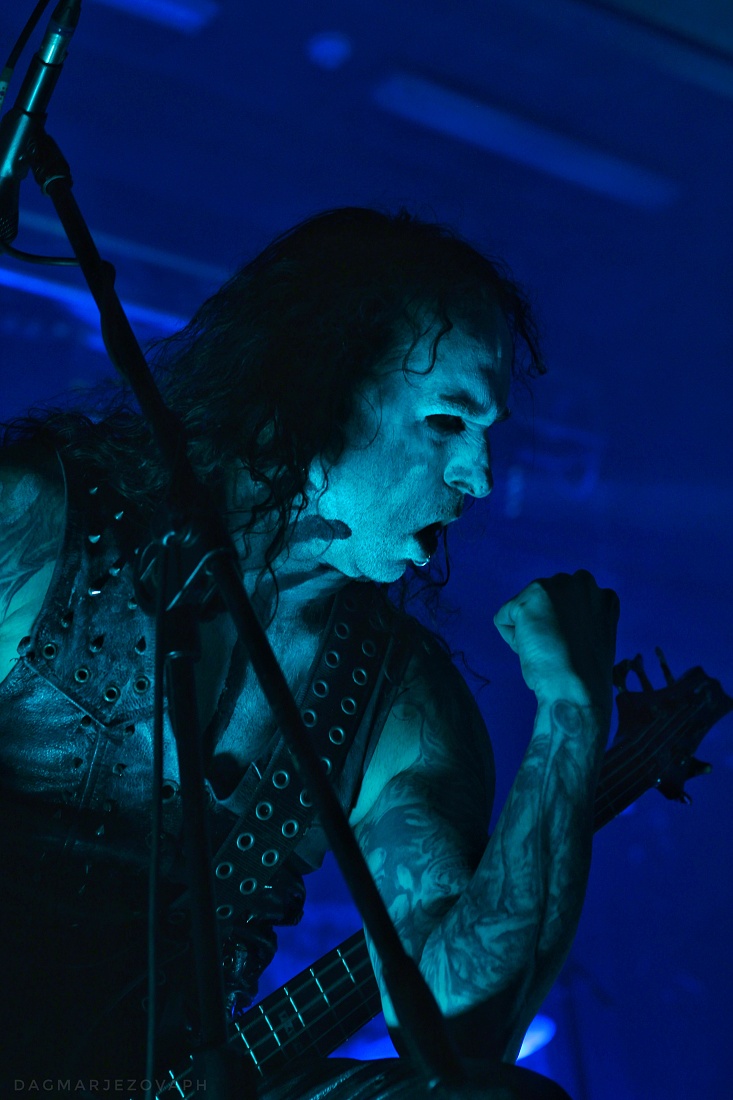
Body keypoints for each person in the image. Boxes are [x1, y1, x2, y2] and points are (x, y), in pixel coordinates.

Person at [0, 207, 618, 1099]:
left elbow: (463, 1026)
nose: (479, 477)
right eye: (447, 420)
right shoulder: (36, 530)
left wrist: (570, 718)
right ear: (313, 391)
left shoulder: (401, 703)